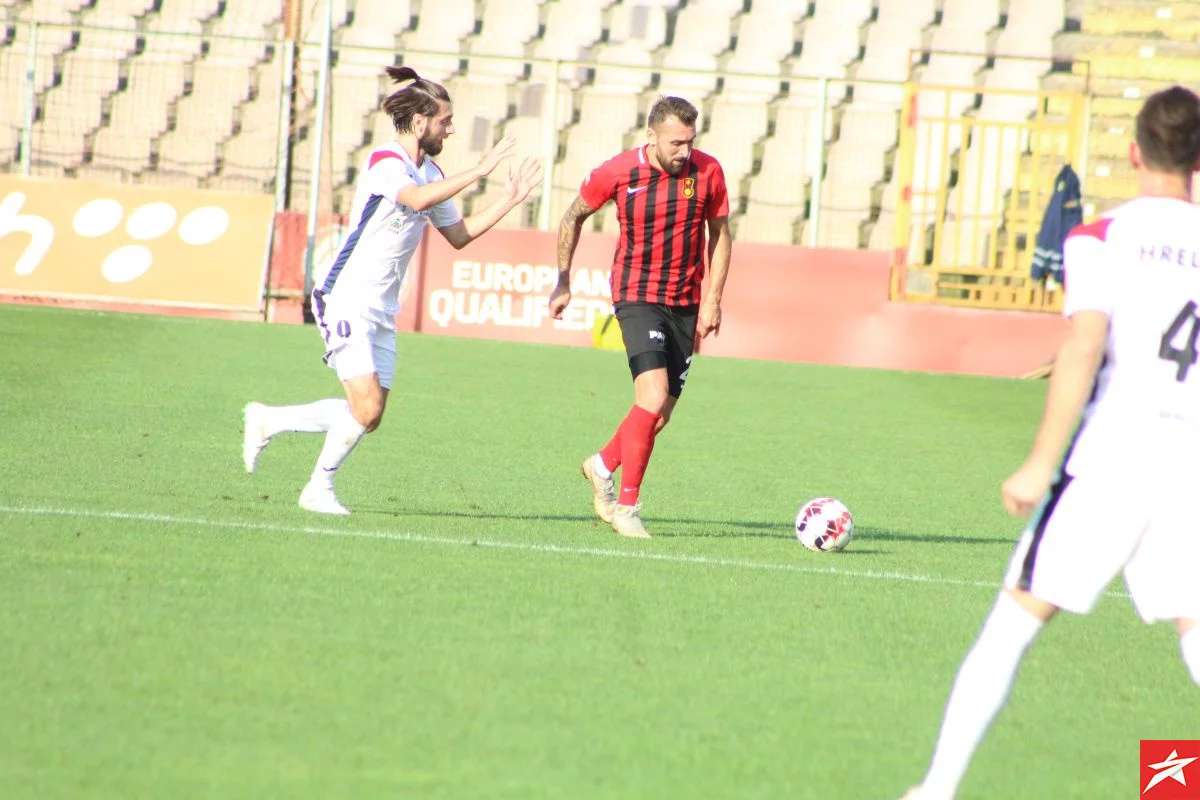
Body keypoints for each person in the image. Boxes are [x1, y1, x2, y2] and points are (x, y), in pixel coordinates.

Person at [902, 86, 1200, 800]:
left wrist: (1039, 463)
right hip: (1191, 462)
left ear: (1134, 152)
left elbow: (1085, 345)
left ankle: (936, 790)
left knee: (1014, 622)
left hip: (1116, 456)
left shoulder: (1102, 237)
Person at [243, 66, 541, 515]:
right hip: (346, 297)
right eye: (445, 121)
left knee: (371, 414)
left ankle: (269, 420)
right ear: (420, 122)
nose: (450, 129)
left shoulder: (431, 172)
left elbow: (459, 235)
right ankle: (317, 488)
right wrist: (481, 169)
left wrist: (509, 200)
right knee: (363, 408)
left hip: (381, 308)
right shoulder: (387, 161)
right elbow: (416, 199)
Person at [550, 96, 732, 538]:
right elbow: (572, 217)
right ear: (651, 136)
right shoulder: (618, 172)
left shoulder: (708, 171)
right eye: (675, 143)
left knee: (658, 415)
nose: (684, 151)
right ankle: (627, 508)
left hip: (685, 302)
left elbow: (721, 234)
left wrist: (713, 298)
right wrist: (563, 280)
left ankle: (601, 465)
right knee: (651, 397)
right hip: (636, 295)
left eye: (690, 142)